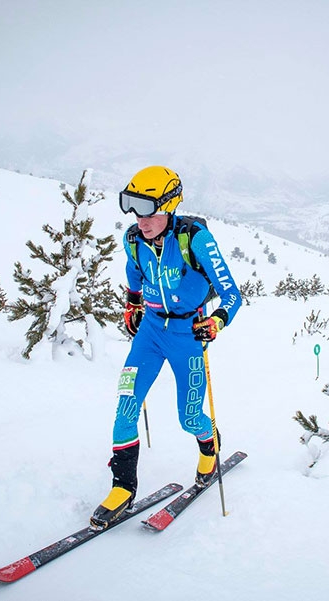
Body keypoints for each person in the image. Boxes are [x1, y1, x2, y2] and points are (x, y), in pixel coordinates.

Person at [91, 166, 242, 530]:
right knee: (126, 403)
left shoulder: (196, 240)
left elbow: (233, 294)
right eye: (133, 208)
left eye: (148, 210)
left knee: (189, 417)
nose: (139, 220)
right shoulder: (133, 240)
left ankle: (210, 449)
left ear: (170, 205)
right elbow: (134, 272)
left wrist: (217, 320)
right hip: (151, 332)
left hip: (188, 335)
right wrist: (133, 303)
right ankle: (123, 488)